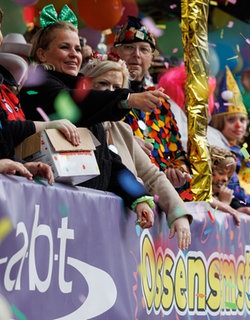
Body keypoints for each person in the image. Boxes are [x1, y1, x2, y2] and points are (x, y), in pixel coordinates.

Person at [19, 4, 157, 230]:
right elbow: (68, 103)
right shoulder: (37, 87)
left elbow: (108, 162)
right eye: (65, 47)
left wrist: (138, 198)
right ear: (42, 53)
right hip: (46, 219)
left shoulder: (81, 97)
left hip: (78, 219)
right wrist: (126, 99)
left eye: (77, 47)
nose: (74, 54)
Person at [80, 55, 192, 249]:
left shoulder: (123, 130)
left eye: (117, 88)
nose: (110, 92)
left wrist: (178, 214)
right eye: (103, 84)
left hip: (122, 243)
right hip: (83, 229)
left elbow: (152, 176)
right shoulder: (77, 123)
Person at [112, 16, 193, 200]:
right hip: (124, 193)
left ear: (151, 59)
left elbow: (177, 153)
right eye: (129, 47)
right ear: (115, 52)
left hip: (162, 196)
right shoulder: (105, 92)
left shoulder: (161, 102)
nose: (137, 55)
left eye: (144, 50)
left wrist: (178, 171)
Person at [209, 67, 250, 222]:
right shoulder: (218, 146)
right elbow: (233, 186)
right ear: (219, 121)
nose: (239, 125)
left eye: (242, 120)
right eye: (231, 120)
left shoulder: (241, 151)